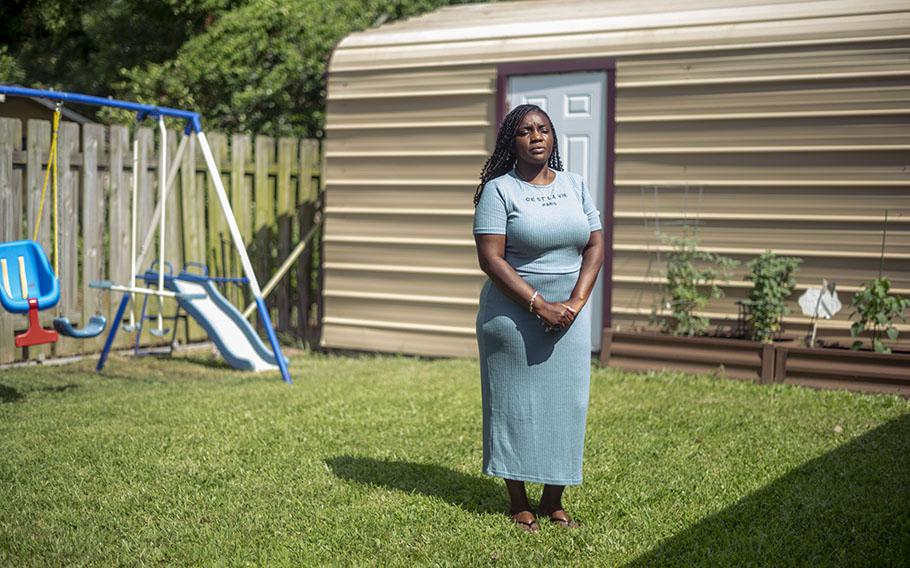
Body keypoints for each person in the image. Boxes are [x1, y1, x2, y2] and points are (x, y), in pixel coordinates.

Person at [473, 104, 604, 533]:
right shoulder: (499, 190)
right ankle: (518, 500)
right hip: (512, 316)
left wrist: (576, 301)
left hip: (569, 314)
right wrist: (538, 304)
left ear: (553, 137)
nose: (536, 136)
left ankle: (553, 500)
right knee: (514, 406)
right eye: (525, 131)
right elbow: (491, 259)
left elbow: (595, 245)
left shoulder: (575, 185)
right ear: (512, 141)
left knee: (568, 406)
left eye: (543, 129)